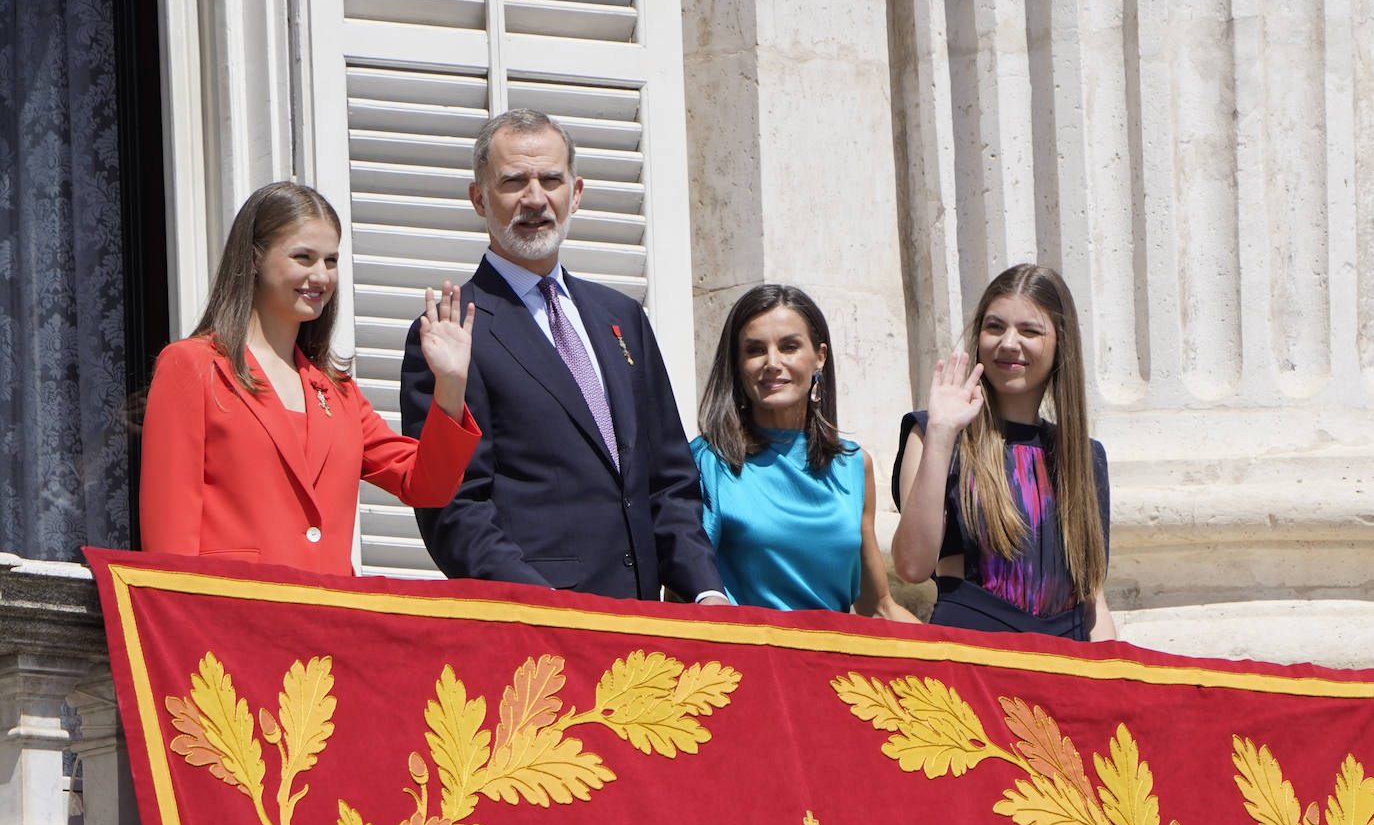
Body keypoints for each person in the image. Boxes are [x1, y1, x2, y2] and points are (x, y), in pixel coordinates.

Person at [399, 109, 727, 604]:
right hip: (539, 636)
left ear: (575, 193)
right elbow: (454, 507)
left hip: (643, 627)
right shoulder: (450, 330)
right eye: (513, 182)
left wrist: (705, 590)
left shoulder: (621, 317)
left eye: (551, 179)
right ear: (478, 199)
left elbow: (668, 480)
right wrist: (546, 606)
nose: (535, 199)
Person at [140, 181, 481, 574]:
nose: (321, 276)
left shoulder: (336, 390)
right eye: (303, 257)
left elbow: (427, 485)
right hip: (231, 621)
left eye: (331, 261)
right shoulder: (193, 365)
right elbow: (168, 544)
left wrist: (451, 383)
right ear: (253, 258)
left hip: (327, 623)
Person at [890, 264, 1115, 640]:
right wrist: (944, 434)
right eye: (995, 327)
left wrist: (1108, 685)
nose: (1009, 343)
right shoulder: (933, 433)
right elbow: (912, 566)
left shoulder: (1085, 458)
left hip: (1063, 667)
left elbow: (1095, 602)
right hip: (972, 662)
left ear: (1060, 343)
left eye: (1029, 330)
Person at [691, 285, 920, 621]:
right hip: (747, 663)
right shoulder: (708, 461)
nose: (772, 363)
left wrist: (962, 662)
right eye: (755, 350)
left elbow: (879, 606)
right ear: (737, 365)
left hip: (835, 665)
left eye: (789, 347)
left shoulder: (855, 465)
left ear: (820, 357)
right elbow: (684, 595)